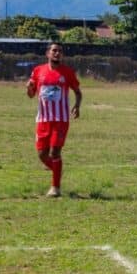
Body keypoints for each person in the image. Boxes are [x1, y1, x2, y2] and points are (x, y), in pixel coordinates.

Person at [26, 43, 82, 197]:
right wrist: (29, 88)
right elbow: (31, 94)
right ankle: (57, 170)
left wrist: (77, 106)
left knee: (55, 152)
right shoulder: (38, 71)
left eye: (60, 51)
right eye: (54, 50)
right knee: (42, 154)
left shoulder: (67, 72)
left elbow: (78, 92)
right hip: (43, 119)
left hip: (61, 119)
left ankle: (55, 188)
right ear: (47, 53)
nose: (57, 53)